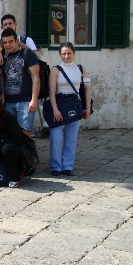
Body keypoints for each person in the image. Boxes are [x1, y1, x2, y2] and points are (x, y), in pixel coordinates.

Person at [48, 42, 91, 176]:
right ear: (60, 54)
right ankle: (56, 166)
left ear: (74, 53)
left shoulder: (81, 68)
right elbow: (51, 90)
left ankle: (67, 166)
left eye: (69, 53)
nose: (66, 56)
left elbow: (87, 89)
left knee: (71, 138)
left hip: (74, 105)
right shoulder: (56, 69)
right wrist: (55, 110)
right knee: (55, 137)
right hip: (60, 104)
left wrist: (87, 107)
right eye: (63, 53)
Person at [1, 29, 40, 137]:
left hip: (25, 102)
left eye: (10, 41)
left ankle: (26, 154)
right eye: (5, 42)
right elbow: (3, 78)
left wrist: (34, 100)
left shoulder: (27, 53)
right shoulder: (5, 57)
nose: (8, 45)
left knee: (24, 134)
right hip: (9, 102)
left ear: (17, 40)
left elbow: (36, 77)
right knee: (10, 134)